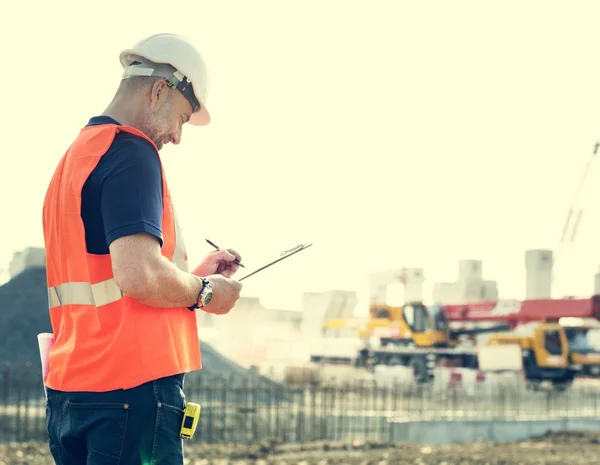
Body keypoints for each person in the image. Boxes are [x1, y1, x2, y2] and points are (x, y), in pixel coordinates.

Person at [41, 33, 243, 464]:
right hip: (130, 392)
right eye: (183, 119)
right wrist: (206, 292)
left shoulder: (77, 157)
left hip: (72, 395)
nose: (177, 136)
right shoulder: (132, 151)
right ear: (158, 91)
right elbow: (138, 276)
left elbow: (108, 271)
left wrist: (192, 274)